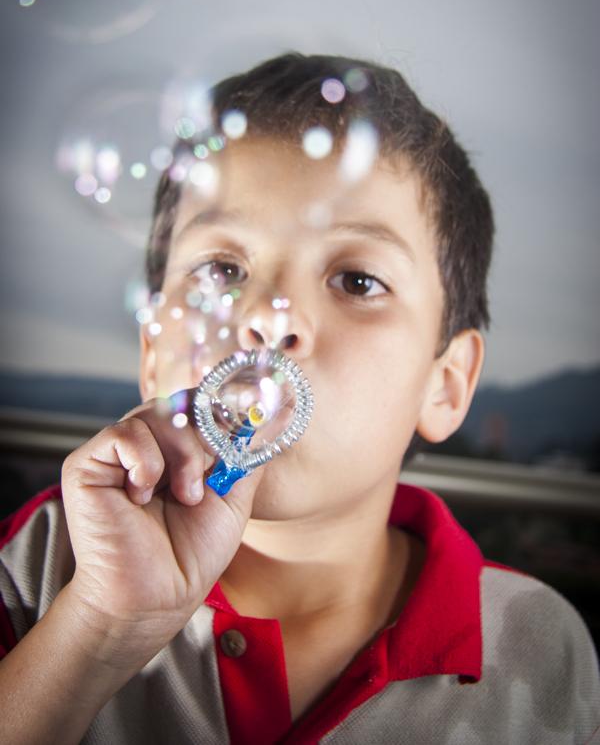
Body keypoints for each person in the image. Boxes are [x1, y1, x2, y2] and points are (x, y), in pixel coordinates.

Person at [0, 53, 598, 745]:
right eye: (223, 268)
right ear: (151, 353)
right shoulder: (42, 565)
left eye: (356, 281)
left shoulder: (541, 648)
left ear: (446, 384)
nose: (269, 317)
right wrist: (99, 627)